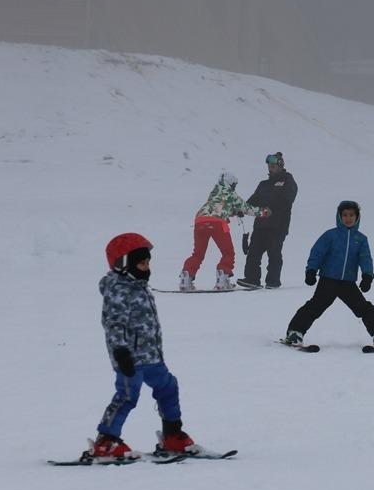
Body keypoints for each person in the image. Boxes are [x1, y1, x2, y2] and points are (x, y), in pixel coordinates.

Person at [91, 233, 198, 459]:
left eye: (148, 263)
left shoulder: (139, 286)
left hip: (151, 357)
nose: (147, 268)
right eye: (142, 264)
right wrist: (121, 352)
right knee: (127, 395)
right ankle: (106, 441)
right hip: (129, 359)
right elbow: (114, 324)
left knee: (168, 387)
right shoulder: (118, 290)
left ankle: (172, 434)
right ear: (124, 265)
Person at [282, 200, 374, 350]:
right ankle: (295, 333)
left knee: (363, 307)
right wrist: (311, 270)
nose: (348, 218)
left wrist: (367, 276)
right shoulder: (330, 235)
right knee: (315, 306)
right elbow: (317, 253)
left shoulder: (360, 239)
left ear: (357, 217)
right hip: (328, 280)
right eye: (345, 215)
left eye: (351, 215)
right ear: (339, 217)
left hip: (347, 282)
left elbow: (365, 258)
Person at [179, 171, 268, 291]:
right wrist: (264, 212)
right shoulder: (231, 193)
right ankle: (223, 278)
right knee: (228, 253)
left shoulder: (214, 192)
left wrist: (233, 212)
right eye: (234, 185)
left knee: (198, 254)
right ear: (231, 183)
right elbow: (247, 208)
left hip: (200, 221)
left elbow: (217, 207)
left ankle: (186, 277)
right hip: (217, 224)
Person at [237, 152, 298, 290]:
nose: (270, 167)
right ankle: (252, 279)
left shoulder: (287, 180)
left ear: (280, 165)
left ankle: (273, 281)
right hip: (260, 224)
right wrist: (243, 209)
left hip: (278, 224)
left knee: (274, 252)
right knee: (253, 252)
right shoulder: (263, 184)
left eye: (273, 165)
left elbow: (287, 200)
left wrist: (272, 209)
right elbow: (254, 200)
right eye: (269, 165)